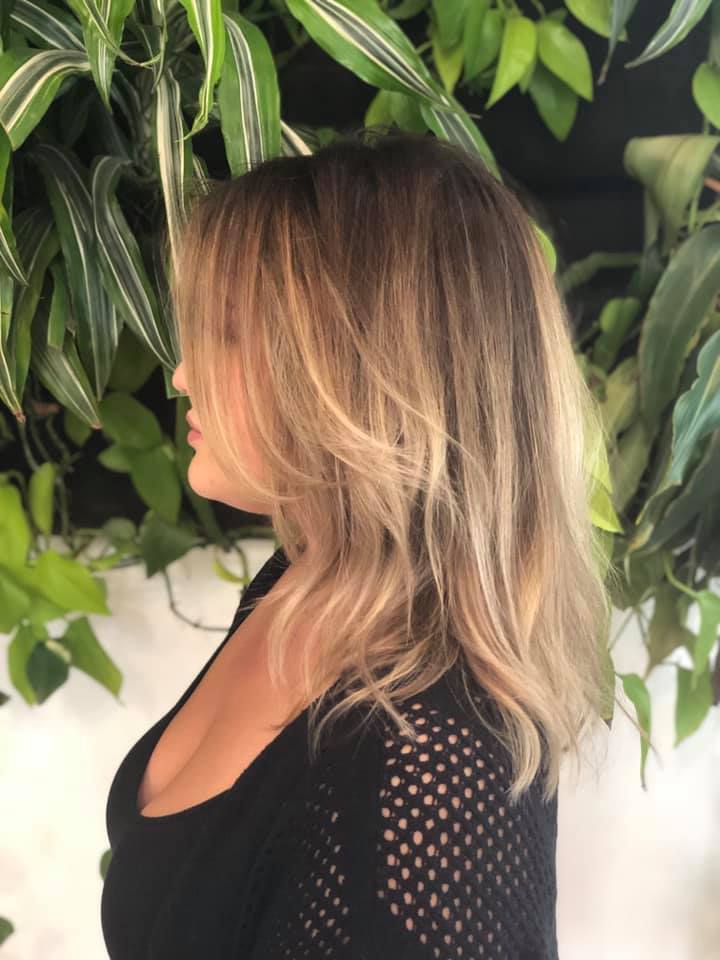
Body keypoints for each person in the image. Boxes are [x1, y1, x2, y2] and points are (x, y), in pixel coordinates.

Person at [101, 127, 613, 959]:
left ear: (364, 376)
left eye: (227, 333)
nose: (184, 374)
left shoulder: (431, 774)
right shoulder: (306, 578)